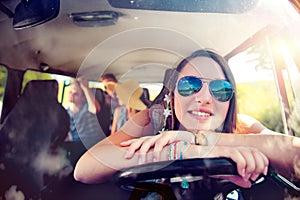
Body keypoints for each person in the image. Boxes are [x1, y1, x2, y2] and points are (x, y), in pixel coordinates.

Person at [74, 49, 300, 193]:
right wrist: (185, 151)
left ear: (230, 100)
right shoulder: (154, 119)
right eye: (189, 85)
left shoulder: (241, 125)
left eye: (220, 89)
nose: (203, 98)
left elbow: (295, 154)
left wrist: (205, 140)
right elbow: (85, 169)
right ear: (172, 95)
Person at [65, 77, 103, 147]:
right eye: (70, 92)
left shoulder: (88, 108)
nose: (72, 94)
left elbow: (95, 109)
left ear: (83, 97)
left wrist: (85, 88)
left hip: (92, 145)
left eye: (76, 93)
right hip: (75, 145)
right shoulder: (65, 113)